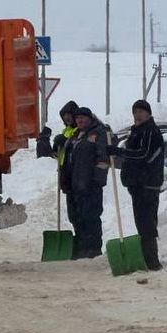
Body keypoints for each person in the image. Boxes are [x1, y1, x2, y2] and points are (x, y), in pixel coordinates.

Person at [107, 99, 165, 270]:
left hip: (147, 184)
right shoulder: (136, 131)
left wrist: (119, 151)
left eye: (141, 111)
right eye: (135, 112)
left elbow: (143, 154)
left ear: (148, 114)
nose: (137, 115)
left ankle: (152, 261)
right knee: (142, 222)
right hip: (137, 184)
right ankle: (146, 258)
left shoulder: (150, 131)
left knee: (147, 223)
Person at [69, 107, 110, 258]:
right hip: (77, 184)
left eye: (83, 117)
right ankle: (83, 247)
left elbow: (103, 159)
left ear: (90, 118)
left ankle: (93, 248)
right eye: (77, 118)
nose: (79, 120)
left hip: (91, 184)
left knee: (91, 215)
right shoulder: (76, 135)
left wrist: (96, 180)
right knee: (79, 216)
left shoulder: (97, 133)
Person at [36, 100, 80, 234]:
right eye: (64, 115)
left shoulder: (80, 130)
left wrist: (66, 142)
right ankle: (79, 238)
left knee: (81, 214)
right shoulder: (66, 131)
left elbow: (78, 145)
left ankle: (85, 240)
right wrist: (53, 146)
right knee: (73, 215)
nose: (67, 118)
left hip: (77, 177)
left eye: (69, 114)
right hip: (66, 177)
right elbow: (58, 154)